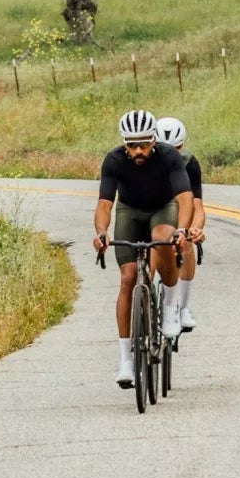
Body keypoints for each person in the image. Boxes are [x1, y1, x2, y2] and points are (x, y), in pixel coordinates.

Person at [93, 107, 197, 387]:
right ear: (124, 144)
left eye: (144, 144)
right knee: (127, 278)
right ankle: (126, 361)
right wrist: (102, 233)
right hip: (130, 211)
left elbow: (185, 198)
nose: (138, 150)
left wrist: (183, 230)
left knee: (163, 237)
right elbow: (105, 204)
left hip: (163, 208)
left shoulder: (168, 157)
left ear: (154, 140)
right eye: (131, 145)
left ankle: (171, 304)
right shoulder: (114, 161)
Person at [153, 116, 206, 332]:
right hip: (155, 210)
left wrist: (195, 228)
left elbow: (197, 206)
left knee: (186, 245)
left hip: (180, 209)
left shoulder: (189, 163)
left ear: (182, 147)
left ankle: (184, 307)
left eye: (175, 149)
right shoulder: (144, 162)